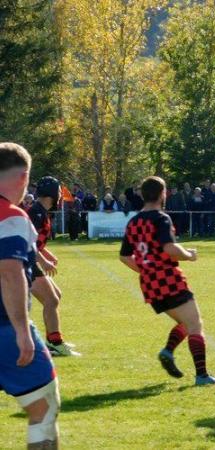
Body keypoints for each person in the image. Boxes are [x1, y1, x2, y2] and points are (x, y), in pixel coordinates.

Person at [119, 176, 215, 386]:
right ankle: (202, 376)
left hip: (149, 284)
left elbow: (124, 256)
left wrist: (145, 269)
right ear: (163, 194)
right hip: (168, 279)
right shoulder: (161, 218)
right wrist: (189, 255)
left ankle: (168, 351)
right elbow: (169, 248)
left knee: (186, 322)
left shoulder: (133, 221)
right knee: (195, 323)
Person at [0, 142, 61, 449]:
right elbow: (9, 272)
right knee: (44, 406)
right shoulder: (12, 216)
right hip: (4, 330)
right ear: (24, 177)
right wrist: (23, 331)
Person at [28, 176, 80, 357]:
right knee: (52, 300)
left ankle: (52, 340)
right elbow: (27, 242)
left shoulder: (41, 211)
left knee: (55, 296)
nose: (60, 196)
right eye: (59, 192)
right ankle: (55, 343)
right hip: (25, 262)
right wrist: (43, 261)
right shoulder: (37, 212)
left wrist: (47, 255)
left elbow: (37, 243)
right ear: (52, 193)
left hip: (30, 260)